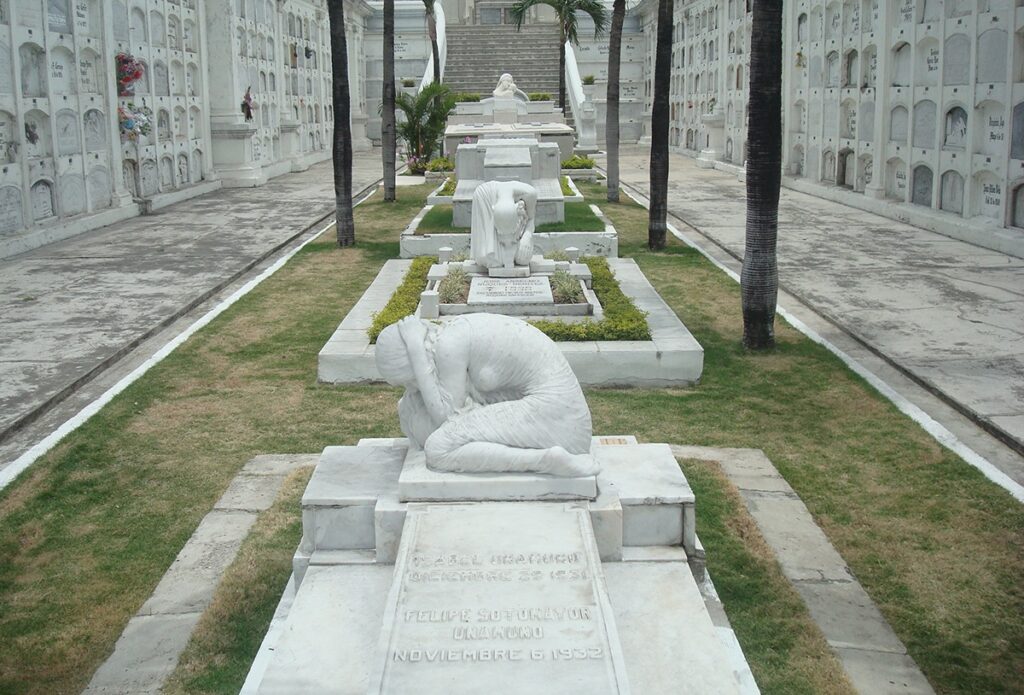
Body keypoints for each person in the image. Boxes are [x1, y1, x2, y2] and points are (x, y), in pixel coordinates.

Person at [375, 314, 599, 477]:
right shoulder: (450, 334)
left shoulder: (448, 345)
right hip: (550, 412)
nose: (414, 388)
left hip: (561, 422)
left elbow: (446, 418)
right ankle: (547, 458)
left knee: (439, 448)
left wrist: (415, 349)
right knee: (412, 409)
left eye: (410, 380)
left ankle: (546, 461)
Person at [470, 180, 537, 269]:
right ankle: (502, 245)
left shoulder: (530, 194)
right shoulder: (483, 195)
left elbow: (531, 219)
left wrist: (527, 235)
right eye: (501, 235)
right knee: (490, 259)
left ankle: (510, 243)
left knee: (523, 259)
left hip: (514, 214)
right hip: (484, 197)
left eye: (511, 234)